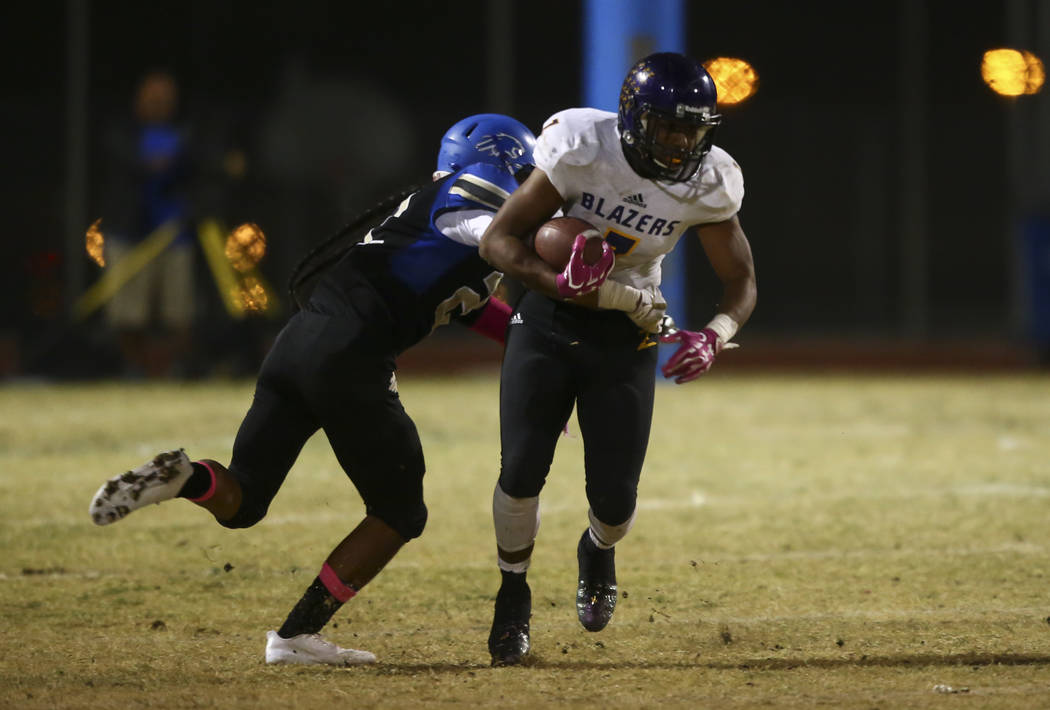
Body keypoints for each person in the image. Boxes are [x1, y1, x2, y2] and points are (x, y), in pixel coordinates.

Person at [87, 113, 557, 666]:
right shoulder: (470, 197)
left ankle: (185, 477)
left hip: (297, 342)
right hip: (351, 351)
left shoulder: (437, 220)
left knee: (245, 500)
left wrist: (530, 360)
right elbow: (484, 231)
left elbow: (476, 309)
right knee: (401, 512)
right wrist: (539, 256)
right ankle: (295, 635)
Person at [477, 52, 758, 665]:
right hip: (550, 317)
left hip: (627, 328)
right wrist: (561, 285)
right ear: (633, 119)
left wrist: (713, 333)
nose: (683, 142)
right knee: (521, 469)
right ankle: (512, 594)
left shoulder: (709, 179)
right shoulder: (582, 144)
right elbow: (500, 241)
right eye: (669, 127)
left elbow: (741, 282)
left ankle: (597, 550)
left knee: (615, 499)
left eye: (693, 128)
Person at [99, 69, 198, 378]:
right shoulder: (121, 131)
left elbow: (201, 169)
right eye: (152, 97)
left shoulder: (187, 133)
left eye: (165, 98)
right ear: (138, 99)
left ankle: (172, 370)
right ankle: (134, 369)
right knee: (128, 312)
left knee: (178, 310)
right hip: (131, 232)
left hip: (175, 233)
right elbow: (125, 165)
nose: (158, 103)